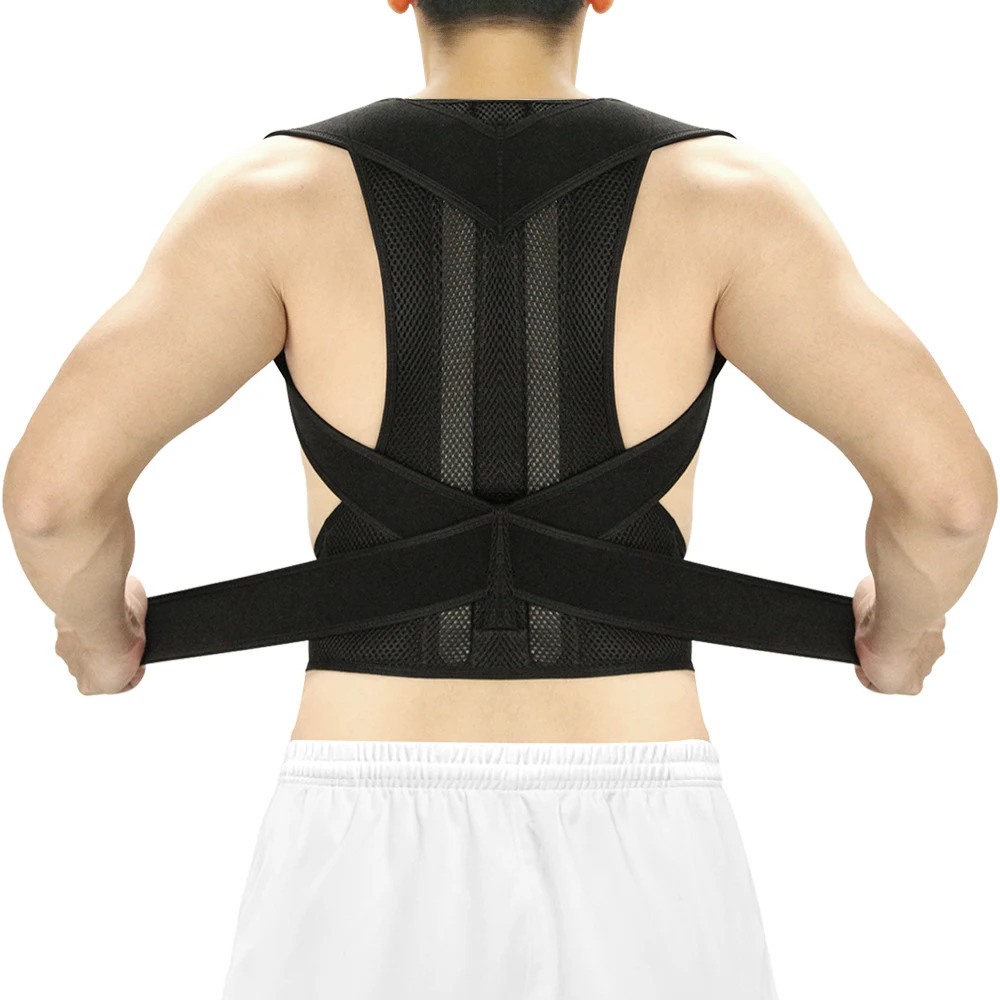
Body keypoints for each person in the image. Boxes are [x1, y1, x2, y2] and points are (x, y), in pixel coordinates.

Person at [3, 1, 995, 997]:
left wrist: (99, 639)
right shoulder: (730, 200)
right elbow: (947, 502)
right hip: (645, 832)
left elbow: (52, 502)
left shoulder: (270, 199)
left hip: (357, 837)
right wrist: (900, 639)